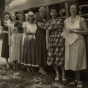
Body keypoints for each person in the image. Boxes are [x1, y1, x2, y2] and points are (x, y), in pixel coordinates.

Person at [64, 2, 88, 87]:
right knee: (72, 60)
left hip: (78, 41)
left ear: (77, 9)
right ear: (69, 10)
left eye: (75, 8)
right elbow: (65, 31)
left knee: (78, 60)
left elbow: (86, 31)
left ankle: (79, 80)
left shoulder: (81, 19)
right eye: (71, 8)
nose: (73, 10)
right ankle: (75, 79)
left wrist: (76, 31)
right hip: (69, 42)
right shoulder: (66, 20)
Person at [46, 7, 65, 81]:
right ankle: (57, 73)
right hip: (51, 40)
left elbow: (63, 31)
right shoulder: (48, 22)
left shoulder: (61, 21)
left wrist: (63, 39)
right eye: (52, 12)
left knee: (60, 57)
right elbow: (47, 34)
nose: (54, 13)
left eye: (55, 12)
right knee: (53, 57)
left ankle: (63, 74)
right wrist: (47, 44)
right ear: (50, 13)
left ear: (57, 13)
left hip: (59, 39)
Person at [36, 7, 47, 75]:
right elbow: (42, 26)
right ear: (39, 13)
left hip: (45, 35)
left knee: (44, 51)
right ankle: (41, 68)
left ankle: (42, 68)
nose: (43, 13)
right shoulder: (38, 19)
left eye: (44, 12)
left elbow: (45, 26)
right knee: (40, 51)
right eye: (41, 12)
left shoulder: (45, 19)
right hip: (40, 36)